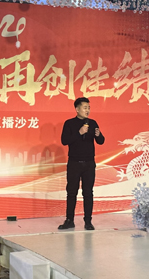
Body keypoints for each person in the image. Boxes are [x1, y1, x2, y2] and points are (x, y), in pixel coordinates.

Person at [58, 97, 105, 231]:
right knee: (71, 192)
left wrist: (98, 135)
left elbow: (101, 141)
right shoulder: (69, 123)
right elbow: (64, 140)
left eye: (89, 108)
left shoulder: (92, 123)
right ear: (77, 109)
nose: (87, 110)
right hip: (74, 163)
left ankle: (88, 221)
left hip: (89, 163)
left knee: (88, 192)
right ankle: (69, 220)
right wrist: (79, 133)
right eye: (85, 108)